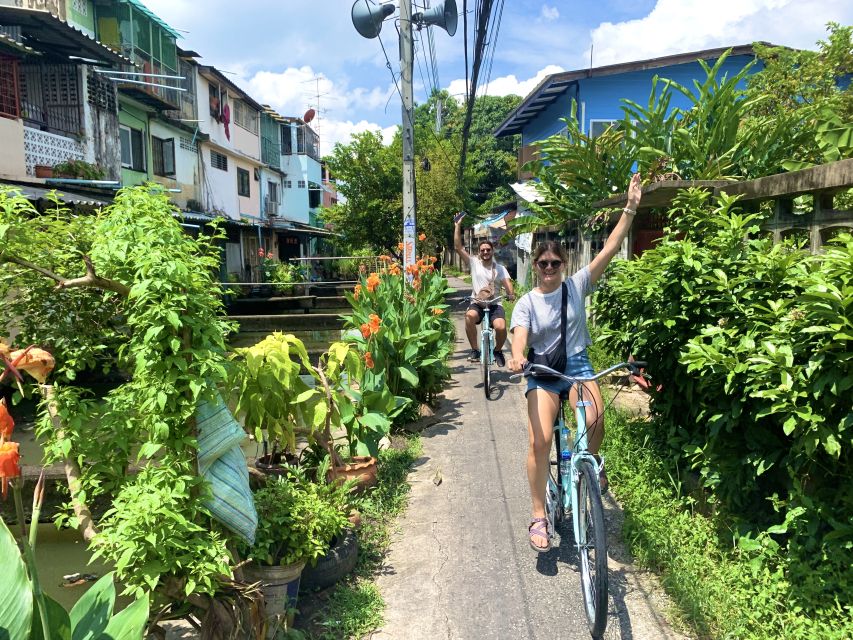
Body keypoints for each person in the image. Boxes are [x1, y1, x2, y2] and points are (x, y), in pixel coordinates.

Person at [507, 173, 643, 552]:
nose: (549, 268)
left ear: (564, 264)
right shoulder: (526, 302)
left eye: (555, 262)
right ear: (535, 265)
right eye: (543, 263)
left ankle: (591, 463)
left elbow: (610, 248)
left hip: (579, 365)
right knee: (540, 441)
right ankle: (539, 515)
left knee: (596, 418)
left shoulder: (577, 285)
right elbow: (520, 337)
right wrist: (517, 356)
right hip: (543, 372)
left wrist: (631, 207)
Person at [454, 212, 516, 366]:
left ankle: (498, 350)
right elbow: (458, 247)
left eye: (488, 250)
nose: (486, 252)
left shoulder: (500, 268)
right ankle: (475, 350)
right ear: (479, 252)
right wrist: (457, 226)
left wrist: (511, 294)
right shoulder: (474, 263)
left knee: (501, 327)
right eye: (483, 250)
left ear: (492, 251)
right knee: (469, 316)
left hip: (495, 304)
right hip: (477, 302)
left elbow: (507, 283)